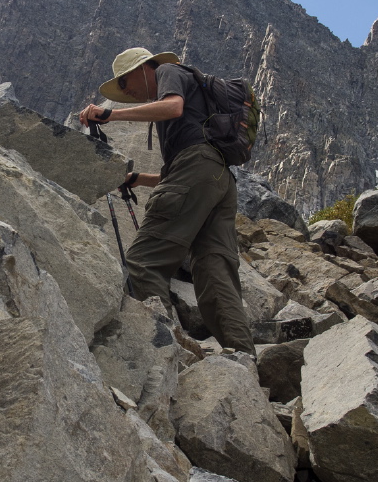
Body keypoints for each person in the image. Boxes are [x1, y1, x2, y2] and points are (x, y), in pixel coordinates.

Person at [79, 47, 254, 353]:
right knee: (215, 273)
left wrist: (110, 114)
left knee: (142, 263)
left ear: (144, 68)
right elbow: (176, 174)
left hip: (197, 171)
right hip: (219, 180)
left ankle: (167, 350)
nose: (127, 91)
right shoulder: (191, 104)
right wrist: (134, 179)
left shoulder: (167, 72)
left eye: (124, 82)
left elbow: (173, 108)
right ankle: (243, 358)